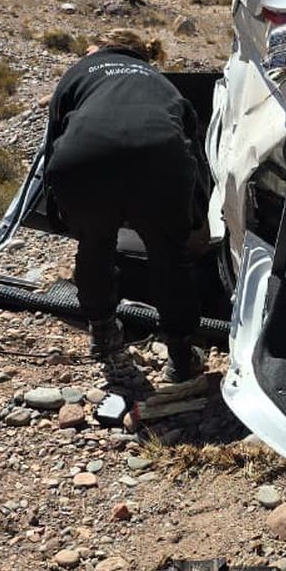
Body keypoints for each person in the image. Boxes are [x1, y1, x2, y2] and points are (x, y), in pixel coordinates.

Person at [44, 30, 205, 381]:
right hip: (159, 160)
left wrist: (59, 208)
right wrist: (194, 209)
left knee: (95, 245)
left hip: (85, 161)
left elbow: (54, 135)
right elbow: (192, 142)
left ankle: (103, 333)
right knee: (168, 254)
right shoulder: (160, 81)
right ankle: (180, 355)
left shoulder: (80, 71)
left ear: (103, 46)